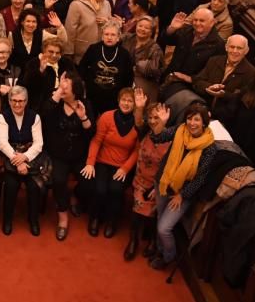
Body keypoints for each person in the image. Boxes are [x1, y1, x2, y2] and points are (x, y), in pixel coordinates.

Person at [148, 103, 217, 270]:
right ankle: (159, 249)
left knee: (164, 228)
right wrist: (162, 123)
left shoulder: (210, 148)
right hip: (164, 183)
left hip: (183, 193)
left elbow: (200, 179)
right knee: (159, 219)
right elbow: (158, 137)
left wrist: (182, 195)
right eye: (189, 118)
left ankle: (168, 256)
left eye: (196, 119)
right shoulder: (180, 130)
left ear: (204, 122)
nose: (192, 123)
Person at [78, 88, 139, 239]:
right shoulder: (107, 117)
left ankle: (112, 222)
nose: (126, 103)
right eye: (123, 100)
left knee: (116, 190)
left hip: (122, 165)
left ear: (135, 104)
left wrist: (125, 169)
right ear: (118, 101)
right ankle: (95, 218)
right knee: (100, 190)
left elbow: (137, 151)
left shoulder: (138, 123)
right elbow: (96, 141)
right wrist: (90, 163)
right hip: (102, 161)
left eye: (130, 101)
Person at [41, 71, 94, 240]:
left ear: (75, 89)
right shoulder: (54, 103)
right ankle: (62, 217)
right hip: (58, 155)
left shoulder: (85, 104)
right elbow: (43, 115)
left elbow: (91, 132)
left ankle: (75, 195)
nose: (62, 89)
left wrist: (83, 117)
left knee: (88, 181)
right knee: (58, 180)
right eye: (61, 85)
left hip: (79, 155)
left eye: (66, 86)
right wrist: (57, 93)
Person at [125, 89, 170, 261]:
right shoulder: (146, 132)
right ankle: (133, 241)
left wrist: (157, 187)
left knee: (154, 214)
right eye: (150, 117)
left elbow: (169, 168)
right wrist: (139, 107)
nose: (152, 121)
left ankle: (152, 241)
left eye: (156, 118)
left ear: (165, 118)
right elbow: (138, 122)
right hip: (141, 181)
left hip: (158, 184)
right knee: (137, 214)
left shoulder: (171, 138)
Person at [0, 86, 44, 236]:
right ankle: (8, 220)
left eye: (21, 101)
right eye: (14, 101)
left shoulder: (35, 117)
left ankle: (33, 220)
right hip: (9, 156)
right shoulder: (2, 117)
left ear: (26, 101)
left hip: (30, 157)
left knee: (34, 185)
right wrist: (17, 161)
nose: (18, 105)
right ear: (9, 101)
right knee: (11, 185)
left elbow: (38, 143)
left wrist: (25, 158)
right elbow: (3, 143)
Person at [159, 8, 226, 104]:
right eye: (195, 20)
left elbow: (212, 75)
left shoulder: (218, 45)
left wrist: (190, 79)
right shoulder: (186, 30)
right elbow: (167, 41)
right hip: (169, 78)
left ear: (212, 23)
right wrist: (172, 28)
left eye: (202, 21)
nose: (197, 23)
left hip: (190, 88)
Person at [78, 22, 134, 115]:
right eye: (106, 34)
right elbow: (82, 67)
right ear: (102, 36)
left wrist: (124, 95)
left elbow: (129, 77)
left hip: (114, 98)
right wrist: (86, 83)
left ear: (118, 37)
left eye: (113, 35)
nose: (109, 37)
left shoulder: (124, 53)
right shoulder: (93, 49)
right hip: (93, 96)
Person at [64, 0, 112, 64]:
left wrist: (107, 22)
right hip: (81, 53)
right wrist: (68, 52)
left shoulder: (107, 4)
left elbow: (111, 25)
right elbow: (70, 30)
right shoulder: (76, 5)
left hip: (101, 51)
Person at [23, 40, 75, 112]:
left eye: (57, 53)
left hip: (64, 100)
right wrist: (40, 70)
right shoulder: (33, 63)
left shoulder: (66, 63)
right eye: (51, 52)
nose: (54, 55)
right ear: (44, 51)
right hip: (42, 103)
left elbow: (75, 80)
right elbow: (27, 85)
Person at [121, 16, 164, 103]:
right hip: (124, 75)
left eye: (146, 28)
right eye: (140, 26)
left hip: (144, 81)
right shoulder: (127, 38)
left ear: (151, 32)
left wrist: (138, 66)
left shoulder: (155, 48)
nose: (142, 29)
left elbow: (155, 70)